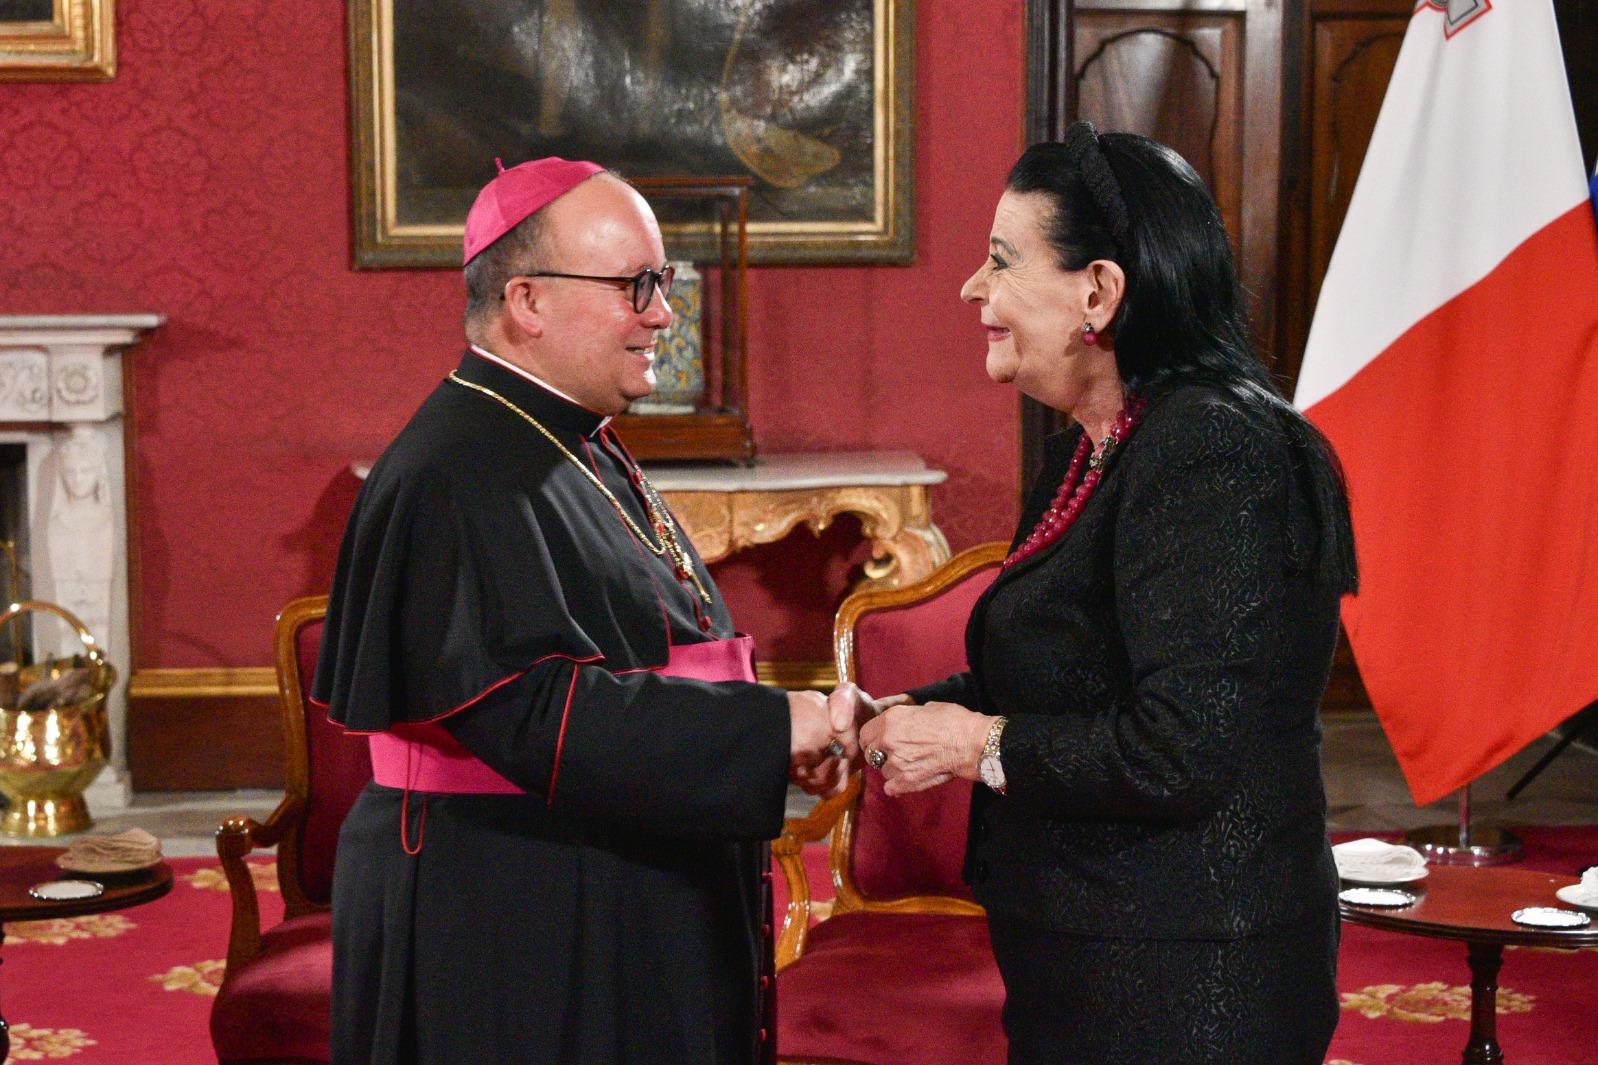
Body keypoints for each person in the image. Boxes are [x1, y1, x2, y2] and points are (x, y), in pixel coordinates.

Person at [313, 157, 856, 1065]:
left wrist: (774, 735)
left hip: (588, 873)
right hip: (510, 910)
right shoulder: (455, 471)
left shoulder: (564, 436)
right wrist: (771, 728)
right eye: (635, 285)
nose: (664, 313)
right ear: (526, 300)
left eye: (664, 282)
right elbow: (531, 712)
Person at [846, 123, 1359, 1064]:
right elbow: (1064, 677)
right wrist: (907, 713)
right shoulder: (1095, 441)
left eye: (1001, 261)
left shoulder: (1212, 451)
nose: (974, 289)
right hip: (1096, 955)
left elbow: (1182, 745)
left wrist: (974, 743)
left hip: (1189, 979)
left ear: (1099, 292)